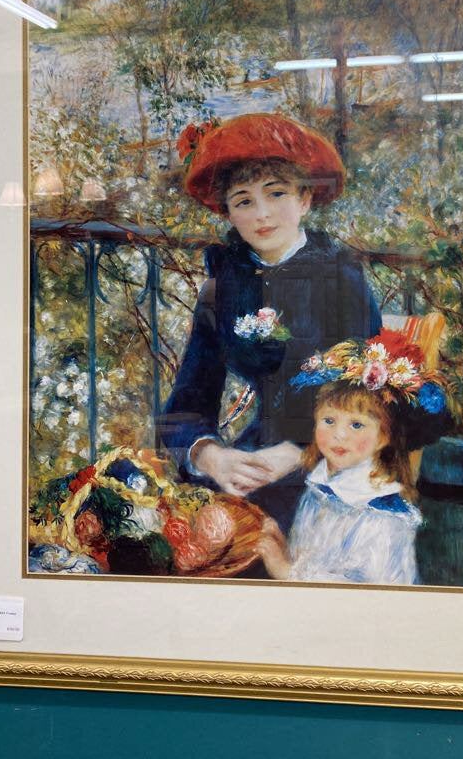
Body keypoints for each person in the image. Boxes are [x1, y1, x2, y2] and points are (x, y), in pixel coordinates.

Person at [158, 112, 381, 533]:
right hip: (248, 466)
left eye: (275, 193)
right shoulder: (223, 287)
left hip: (328, 471)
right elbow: (187, 403)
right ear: (229, 213)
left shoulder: (340, 280)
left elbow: (369, 402)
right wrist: (210, 455)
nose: (262, 214)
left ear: (304, 199)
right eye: (243, 200)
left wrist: (300, 451)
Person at [255, 331, 450, 584]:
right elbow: (312, 557)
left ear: (383, 437)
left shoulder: (382, 516)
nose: (339, 435)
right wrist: (284, 551)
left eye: (356, 425)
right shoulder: (322, 485)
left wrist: (287, 572)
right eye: (329, 420)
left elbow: (362, 594)